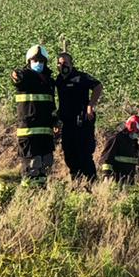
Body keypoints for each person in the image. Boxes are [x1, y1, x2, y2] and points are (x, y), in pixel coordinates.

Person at [11, 45, 57, 186]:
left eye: (41, 60)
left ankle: (41, 198)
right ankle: (28, 198)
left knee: (45, 169)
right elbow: (17, 79)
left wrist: (55, 122)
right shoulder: (26, 78)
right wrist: (15, 75)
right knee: (31, 170)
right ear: (29, 61)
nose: (38, 63)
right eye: (35, 60)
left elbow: (51, 105)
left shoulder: (49, 82)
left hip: (45, 134)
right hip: (29, 133)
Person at [54, 51, 102, 185]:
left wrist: (90, 105)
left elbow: (98, 86)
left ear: (71, 64)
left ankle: (92, 184)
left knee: (84, 155)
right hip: (67, 123)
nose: (62, 65)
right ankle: (77, 184)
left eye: (65, 63)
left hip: (82, 122)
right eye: (59, 63)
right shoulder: (59, 80)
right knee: (69, 154)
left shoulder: (81, 77)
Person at [100, 114, 139, 184]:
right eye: (136, 133)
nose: (137, 135)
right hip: (116, 179)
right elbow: (106, 159)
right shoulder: (116, 139)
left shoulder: (133, 142)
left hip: (129, 180)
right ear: (131, 129)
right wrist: (106, 175)